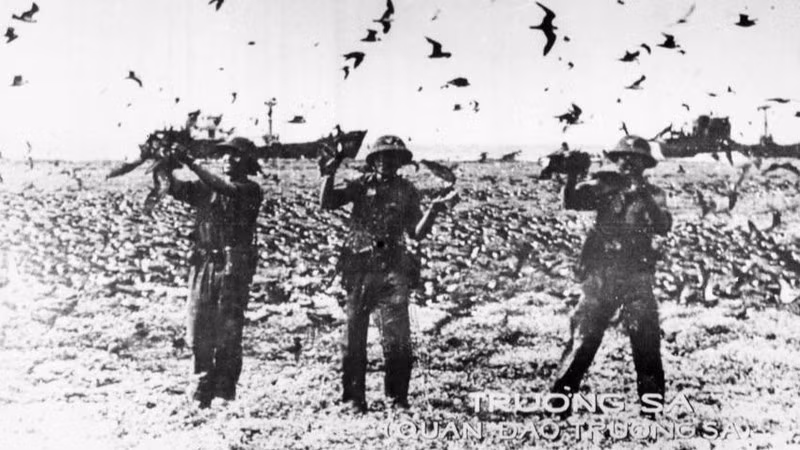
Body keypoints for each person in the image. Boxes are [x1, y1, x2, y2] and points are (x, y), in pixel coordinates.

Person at [319, 135, 456, 412]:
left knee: (397, 340)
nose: (385, 161)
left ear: (400, 162)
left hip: (393, 269)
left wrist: (434, 209)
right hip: (359, 269)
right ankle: (354, 399)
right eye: (380, 156)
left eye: (392, 157)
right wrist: (328, 174)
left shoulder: (407, 191)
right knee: (353, 339)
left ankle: (397, 399)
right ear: (373, 160)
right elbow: (327, 202)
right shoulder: (360, 184)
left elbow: (416, 233)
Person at [551, 135, 672, 415]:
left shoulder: (655, 195)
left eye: (635, 160)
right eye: (623, 159)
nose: (628, 164)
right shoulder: (603, 187)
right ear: (616, 162)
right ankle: (560, 403)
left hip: (636, 276)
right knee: (583, 339)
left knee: (645, 342)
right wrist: (570, 176)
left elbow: (663, 225)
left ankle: (651, 408)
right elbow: (572, 201)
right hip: (601, 275)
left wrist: (642, 193)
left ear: (645, 165)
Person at [161, 137, 263, 408]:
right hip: (203, 265)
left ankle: (223, 392)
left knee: (228, 330)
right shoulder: (206, 188)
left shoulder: (250, 190)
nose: (227, 159)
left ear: (249, 162)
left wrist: (191, 163)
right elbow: (171, 187)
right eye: (224, 155)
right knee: (198, 328)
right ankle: (200, 389)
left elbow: (226, 188)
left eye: (235, 155)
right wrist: (164, 163)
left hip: (233, 267)